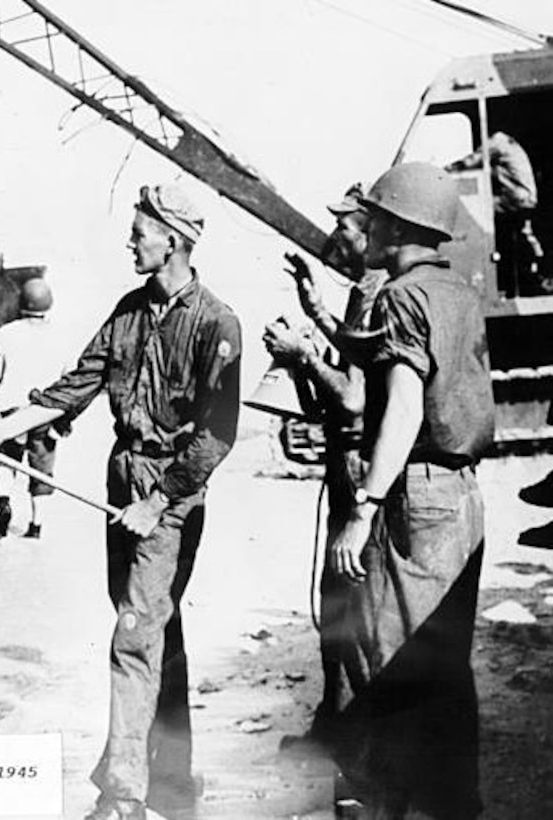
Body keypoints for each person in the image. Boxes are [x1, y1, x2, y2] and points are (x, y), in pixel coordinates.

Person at [0, 183, 242, 820]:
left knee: (133, 638)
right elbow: (71, 389)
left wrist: (158, 501)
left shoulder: (217, 321)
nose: (129, 242)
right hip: (123, 479)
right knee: (152, 631)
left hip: (172, 493)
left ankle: (124, 799)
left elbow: (216, 434)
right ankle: (170, 777)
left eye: (138, 232)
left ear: (172, 239)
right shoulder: (128, 312)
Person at [327, 162, 494, 818]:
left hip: (416, 496)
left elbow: (402, 409)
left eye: (372, 217)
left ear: (398, 225)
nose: (364, 228)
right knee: (445, 669)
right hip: (463, 498)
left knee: (388, 664)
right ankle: (457, 805)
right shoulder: (458, 292)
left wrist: (364, 508)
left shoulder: (402, 295)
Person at [260, 183, 387, 765]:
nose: (337, 235)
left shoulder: (374, 289)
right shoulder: (367, 289)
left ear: (371, 234)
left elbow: (356, 398)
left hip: (359, 465)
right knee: (335, 599)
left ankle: (359, 750)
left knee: (352, 607)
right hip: (352, 466)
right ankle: (335, 725)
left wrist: (302, 356)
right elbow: (356, 355)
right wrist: (315, 313)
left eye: (347, 228)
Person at [0, 277, 70, 539]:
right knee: (42, 468)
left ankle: (4, 501)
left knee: (4, 458)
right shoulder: (62, 337)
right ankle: (35, 527)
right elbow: (68, 379)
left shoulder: (5, 333)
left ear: (21, 303)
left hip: (10, 409)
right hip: (44, 411)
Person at [445, 131, 547, 295]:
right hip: (523, 197)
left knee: (476, 210)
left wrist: (447, 170)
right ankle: (531, 265)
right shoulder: (510, 144)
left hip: (515, 197)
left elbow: (473, 160)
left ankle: (485, 269)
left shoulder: (497, 141)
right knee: (519, 234)